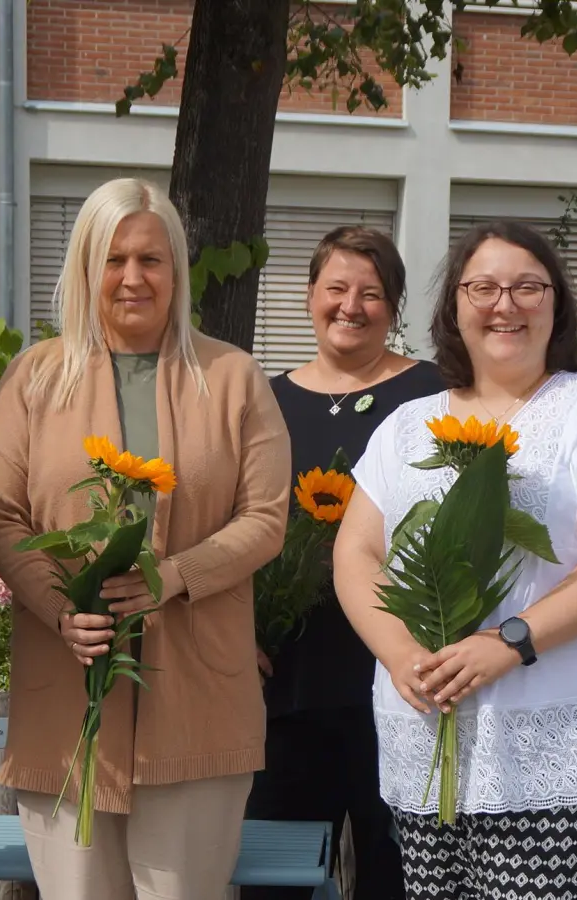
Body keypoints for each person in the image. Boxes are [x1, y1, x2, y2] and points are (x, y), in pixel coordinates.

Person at [0, 177, 291, 899]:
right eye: (113, 259)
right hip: (67, 701)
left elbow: (267, 517)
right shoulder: (34, 378)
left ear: (176, 270)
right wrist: (61, 608)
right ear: (87, 268)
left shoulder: (233, 377)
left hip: (199, 706)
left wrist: (172, 575)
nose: (132, 278)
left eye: (151, 260)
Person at [332, 220, 577, 900]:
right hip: (424, 736)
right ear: (454, 306)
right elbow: (357, 552)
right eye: (482, 286)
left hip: (553, 740)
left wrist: (510, 641)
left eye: (527, 287)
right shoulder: (406, 424)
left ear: (557, 305)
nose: (504, 304)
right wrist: (399, 654)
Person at [244, 226, 442, 900]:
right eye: (337, 288)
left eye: (372, 293)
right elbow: (228, 523)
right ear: (309, 296)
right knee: (278, 874)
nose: (351, 306)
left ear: (394, 307)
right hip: (285, 684)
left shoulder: (435, 396)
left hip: (406, 677)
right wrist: (236, 631)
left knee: (402, 877)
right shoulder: (262, 399)